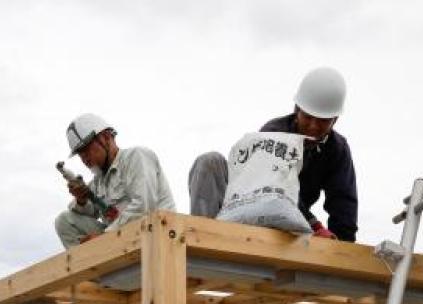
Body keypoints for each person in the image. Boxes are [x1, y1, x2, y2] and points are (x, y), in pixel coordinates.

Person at [188, 67, 358, 241]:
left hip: (290, 224)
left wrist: (343, 248)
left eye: (322, 121)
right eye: (308, 117)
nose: (313, 126)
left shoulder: (338, 150)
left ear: (335, 120)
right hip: (248, 203)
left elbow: (343, 202)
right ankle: (202, 240)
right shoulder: (274, 133)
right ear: (297, 110)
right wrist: (314, 225)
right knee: (209, 161)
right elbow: (277, 190)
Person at [55, 113, 175, 247]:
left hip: (158, 236)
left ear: (106, 137)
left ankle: (101, 257)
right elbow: (87, 213)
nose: (85, 159)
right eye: (80, 155)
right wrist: (82, 200)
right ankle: (93, 264)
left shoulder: (136, 157)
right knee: (64, 221)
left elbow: (144, 208)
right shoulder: (98, 181)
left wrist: (104, 237)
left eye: (87, 150)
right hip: (121, 240)